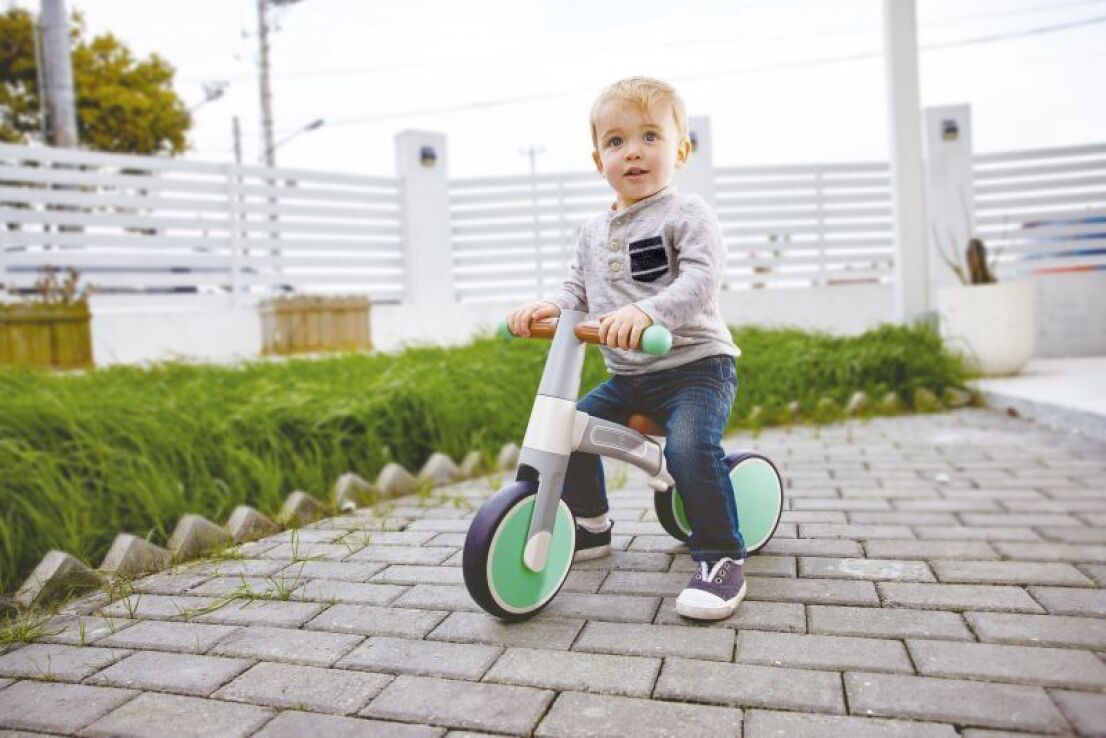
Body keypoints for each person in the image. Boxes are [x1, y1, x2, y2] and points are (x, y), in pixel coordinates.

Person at [506, 76, 746, 620]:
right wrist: (549, 308)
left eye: (650, 137)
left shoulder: (688, 214)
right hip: (630, 374)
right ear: (599, 161)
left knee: (688, 448)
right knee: (571, 426)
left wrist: (647, 312)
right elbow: (577, 290)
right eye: (615, 142)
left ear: (680, 151)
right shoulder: (592, 231)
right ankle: (590, 525)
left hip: (695, 368)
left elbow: (700, 281)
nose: (632, 151)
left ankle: (720, 557)